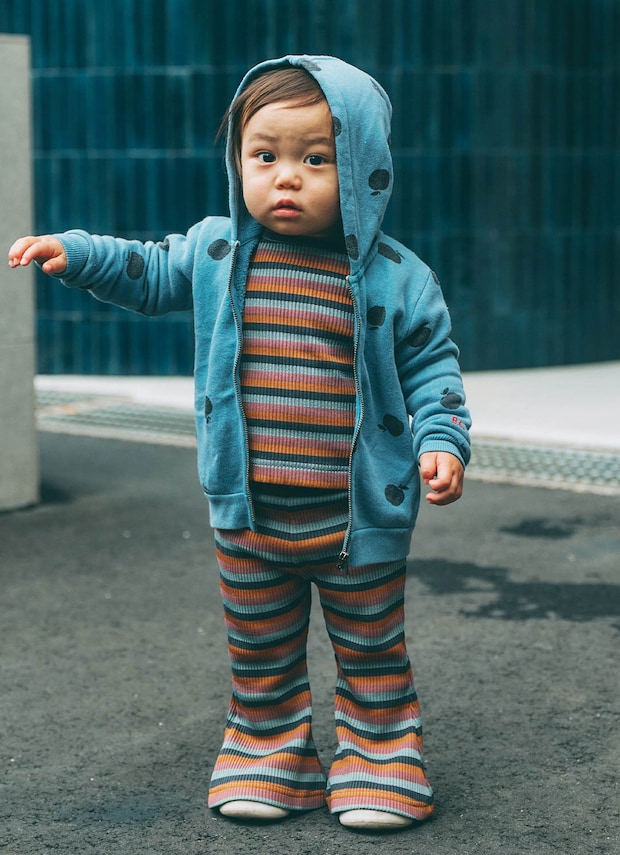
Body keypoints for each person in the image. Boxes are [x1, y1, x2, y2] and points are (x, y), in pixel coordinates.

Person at [8, 55, 471, 831]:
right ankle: (268, 752)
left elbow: (433, 368)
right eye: (265, 155)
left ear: (366, 169)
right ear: (238, 161)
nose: (286, 177)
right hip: (248, 514)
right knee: (259, 652)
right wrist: (78, 253)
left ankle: (382, 755)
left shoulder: (398, 277)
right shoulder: (217, 251)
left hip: (361, 518)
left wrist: (444, 440)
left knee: (371, 651)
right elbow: (148, 269)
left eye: (316, 159)